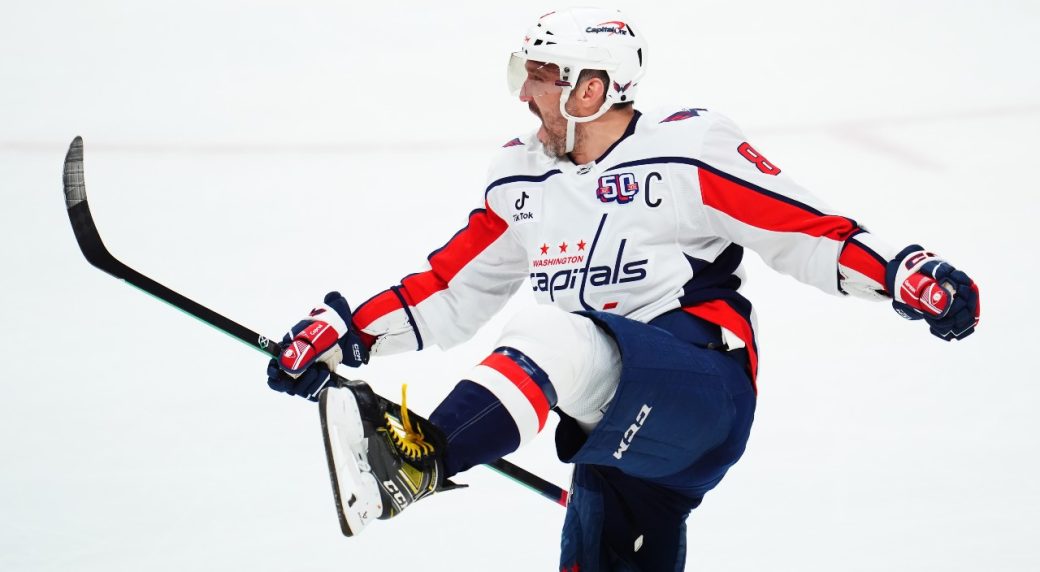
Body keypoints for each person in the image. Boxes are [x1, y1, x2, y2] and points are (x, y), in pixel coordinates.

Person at [266, 7, 981, 571]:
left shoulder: (686, 151)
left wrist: (903, 274)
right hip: (612, 430)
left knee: (553, 332)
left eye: (542, 76)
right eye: (524, 73)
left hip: (703, 392)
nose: (525, 93)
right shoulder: (521, 179)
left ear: (592, 87)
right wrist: (346, 334)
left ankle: (421, 459)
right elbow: (450, 289)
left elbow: (803, 231)